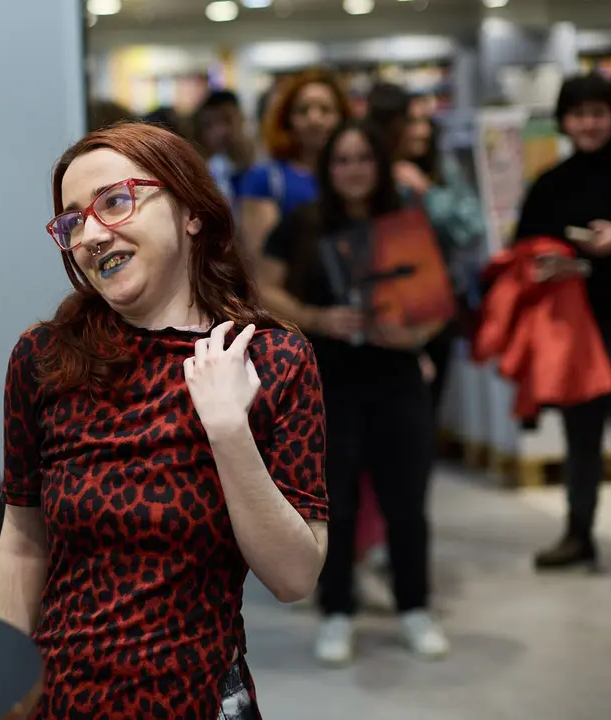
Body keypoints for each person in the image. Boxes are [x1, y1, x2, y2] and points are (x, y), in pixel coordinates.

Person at [0, 122, 329, 719]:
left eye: (115, 201)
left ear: (190, 211)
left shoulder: (271, 360)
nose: (92, 233)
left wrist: (229, 430)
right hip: (65, 698)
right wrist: (8, 690)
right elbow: (23, 539)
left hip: (199, 701)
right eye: (72, 222)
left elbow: (294, 577)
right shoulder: (44, 359)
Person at [256, 120, 450, 665]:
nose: (354, 169)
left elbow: (436, 302)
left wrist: (414, 332)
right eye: (342, 160)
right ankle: (336, 610)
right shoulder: (302, 224)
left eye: (363, 157)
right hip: (329, 381)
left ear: (379, 163)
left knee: (406, 503)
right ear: (327, 168)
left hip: (398, 378)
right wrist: (318, 317)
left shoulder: (406, 222)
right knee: (332, 503)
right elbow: (264, 289)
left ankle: (415, 607)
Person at [517, 74, 611, 584]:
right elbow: (522, 249)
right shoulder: (550, 182)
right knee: (580, 435)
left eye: (598, 112)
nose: (589, 123)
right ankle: (578, 532)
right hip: (570, 329)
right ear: (564, 121)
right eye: (579, 113)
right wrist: (548, 263)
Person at [366, 82, 485, 411]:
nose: (421, 131)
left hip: (434, 306)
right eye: (411, 122)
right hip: (379, 309)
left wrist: (426, 191)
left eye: (424, 122)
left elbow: (471, 225)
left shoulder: (437, 169)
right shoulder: (365, 170)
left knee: (425, 415)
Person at [238, 69, 351, 261]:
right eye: (303, 110)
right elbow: (260, 265)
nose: (314, 119)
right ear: (287, 121)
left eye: (326, 110)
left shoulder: (356, 174)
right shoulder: (264, 179)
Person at [198, 90, 256, 213]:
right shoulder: (207, 178)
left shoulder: (269, 166)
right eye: (209, 125)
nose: (220, 132)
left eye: (227, 120)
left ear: (242, 118)